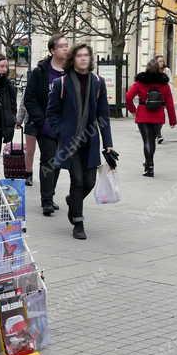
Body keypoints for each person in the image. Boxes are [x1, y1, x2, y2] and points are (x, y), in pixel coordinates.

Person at [46, 43, 115, 240]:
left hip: (90, 141)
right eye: (79, 56)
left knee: (90, 182)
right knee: (77, 180)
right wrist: (60, 131)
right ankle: (78, 221)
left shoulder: (97, 82)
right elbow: (52, 113)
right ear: (73, 59)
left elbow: (104, 116)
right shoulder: (61, 83)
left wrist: (108, 143)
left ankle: (72, 201)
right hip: (70, 142)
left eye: (86, 55)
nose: (83, 58)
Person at [25, 35, 70, 215]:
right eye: (62, 46)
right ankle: (46, 201)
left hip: (65, 126)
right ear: (52, 50)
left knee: (58, 162)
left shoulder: (70, 71)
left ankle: (50, 195)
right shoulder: (41, 72)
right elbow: (29, 99)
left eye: (67, 46)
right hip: (46, 126)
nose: (66, 49)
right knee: (48, 159)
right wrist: (41, 121)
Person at [125, 59, 177, 177]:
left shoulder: (140, 82)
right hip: (158, 115)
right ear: (159, 69)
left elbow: (128, 97)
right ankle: (149, 164)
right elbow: (169, 103)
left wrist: (133, 110)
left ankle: (149, 166)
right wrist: (172, 120)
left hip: (143, 114)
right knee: (152, 140)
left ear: (147, 68)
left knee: (147, 141)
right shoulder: (164, 84)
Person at [15, 94, 34, 186]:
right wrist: (19, 120)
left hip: (46, 122)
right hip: (30, 121)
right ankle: (28, 174)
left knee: (47, 152)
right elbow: (23, 104)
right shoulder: (31, 84)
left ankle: (47, 175)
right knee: (30, 150)